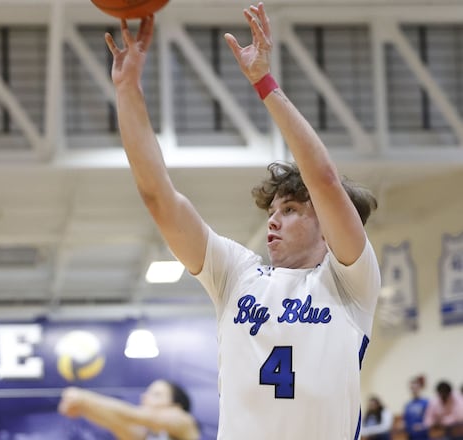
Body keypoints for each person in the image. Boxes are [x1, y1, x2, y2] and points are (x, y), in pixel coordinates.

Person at [102, 2, 379, 438]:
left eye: (290, 210)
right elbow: (159, 198)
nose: (273, 222)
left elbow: (323, 180)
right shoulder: (236, 274)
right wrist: (127, 89)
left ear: (326, 224)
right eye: (272, 212)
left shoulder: (351, 283)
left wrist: (264, 83)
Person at [58, 379, 200, 440]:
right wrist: (84, 408)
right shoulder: (148, 435)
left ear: (176, 406)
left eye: (156, 395)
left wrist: (83, 397)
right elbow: (115, 422)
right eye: (147, 392)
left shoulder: (184, 422)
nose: (145, 397)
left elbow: (131, 415)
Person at [403, 375, 430, 440]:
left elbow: (430, 420)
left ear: (420, 388)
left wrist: (422, 426)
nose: (414, 390)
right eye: (412, 388)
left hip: (424, 436)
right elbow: (405, 420)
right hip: (411, 436)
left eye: (416, 388)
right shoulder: (408, 405)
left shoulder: (426, 402)